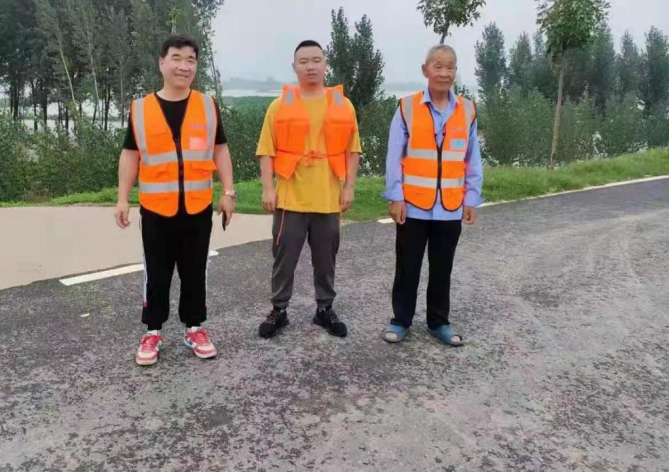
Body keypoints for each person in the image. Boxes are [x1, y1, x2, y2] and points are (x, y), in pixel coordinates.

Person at [115, 35, 236, 366]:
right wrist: (122, 198)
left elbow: (220, 150)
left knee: (195, 271)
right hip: (156, 210)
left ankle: (194, 327)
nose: (184, 66)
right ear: (162, 63)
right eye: (177, 58)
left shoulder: (207, 106)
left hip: (197, 207)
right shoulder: (141, 109)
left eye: (191, 60)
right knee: (156, 273)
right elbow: (130, 155)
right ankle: (152, 331)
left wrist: (228, 192)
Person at [255, 40, 361, 339]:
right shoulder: (279, 106)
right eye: (303, 61)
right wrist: (268, 189)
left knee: (326, 259)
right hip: (290, 198)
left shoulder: (343, 105)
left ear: (326, 64)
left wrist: (349, 188)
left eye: (316, 60)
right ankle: (279, 309)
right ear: (294, 67)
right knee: (284, 257)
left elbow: (353, 151)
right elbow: (266, 151)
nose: (310, 66)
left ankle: (324, 309)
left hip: (328, 197)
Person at [381, 44, 483, 347]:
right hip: (413, 206)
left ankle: (439, 322)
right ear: (425, 70)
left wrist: (471, 198)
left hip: (450, 206)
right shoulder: (407, 107)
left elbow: (473, 158)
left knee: (442, 268)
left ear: (455, 72)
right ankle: (400, 320)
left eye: (450, 67)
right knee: (407, 267)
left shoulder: (467, 110)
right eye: (437, 66)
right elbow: (393, 156)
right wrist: (395, 196)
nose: (444, 73)